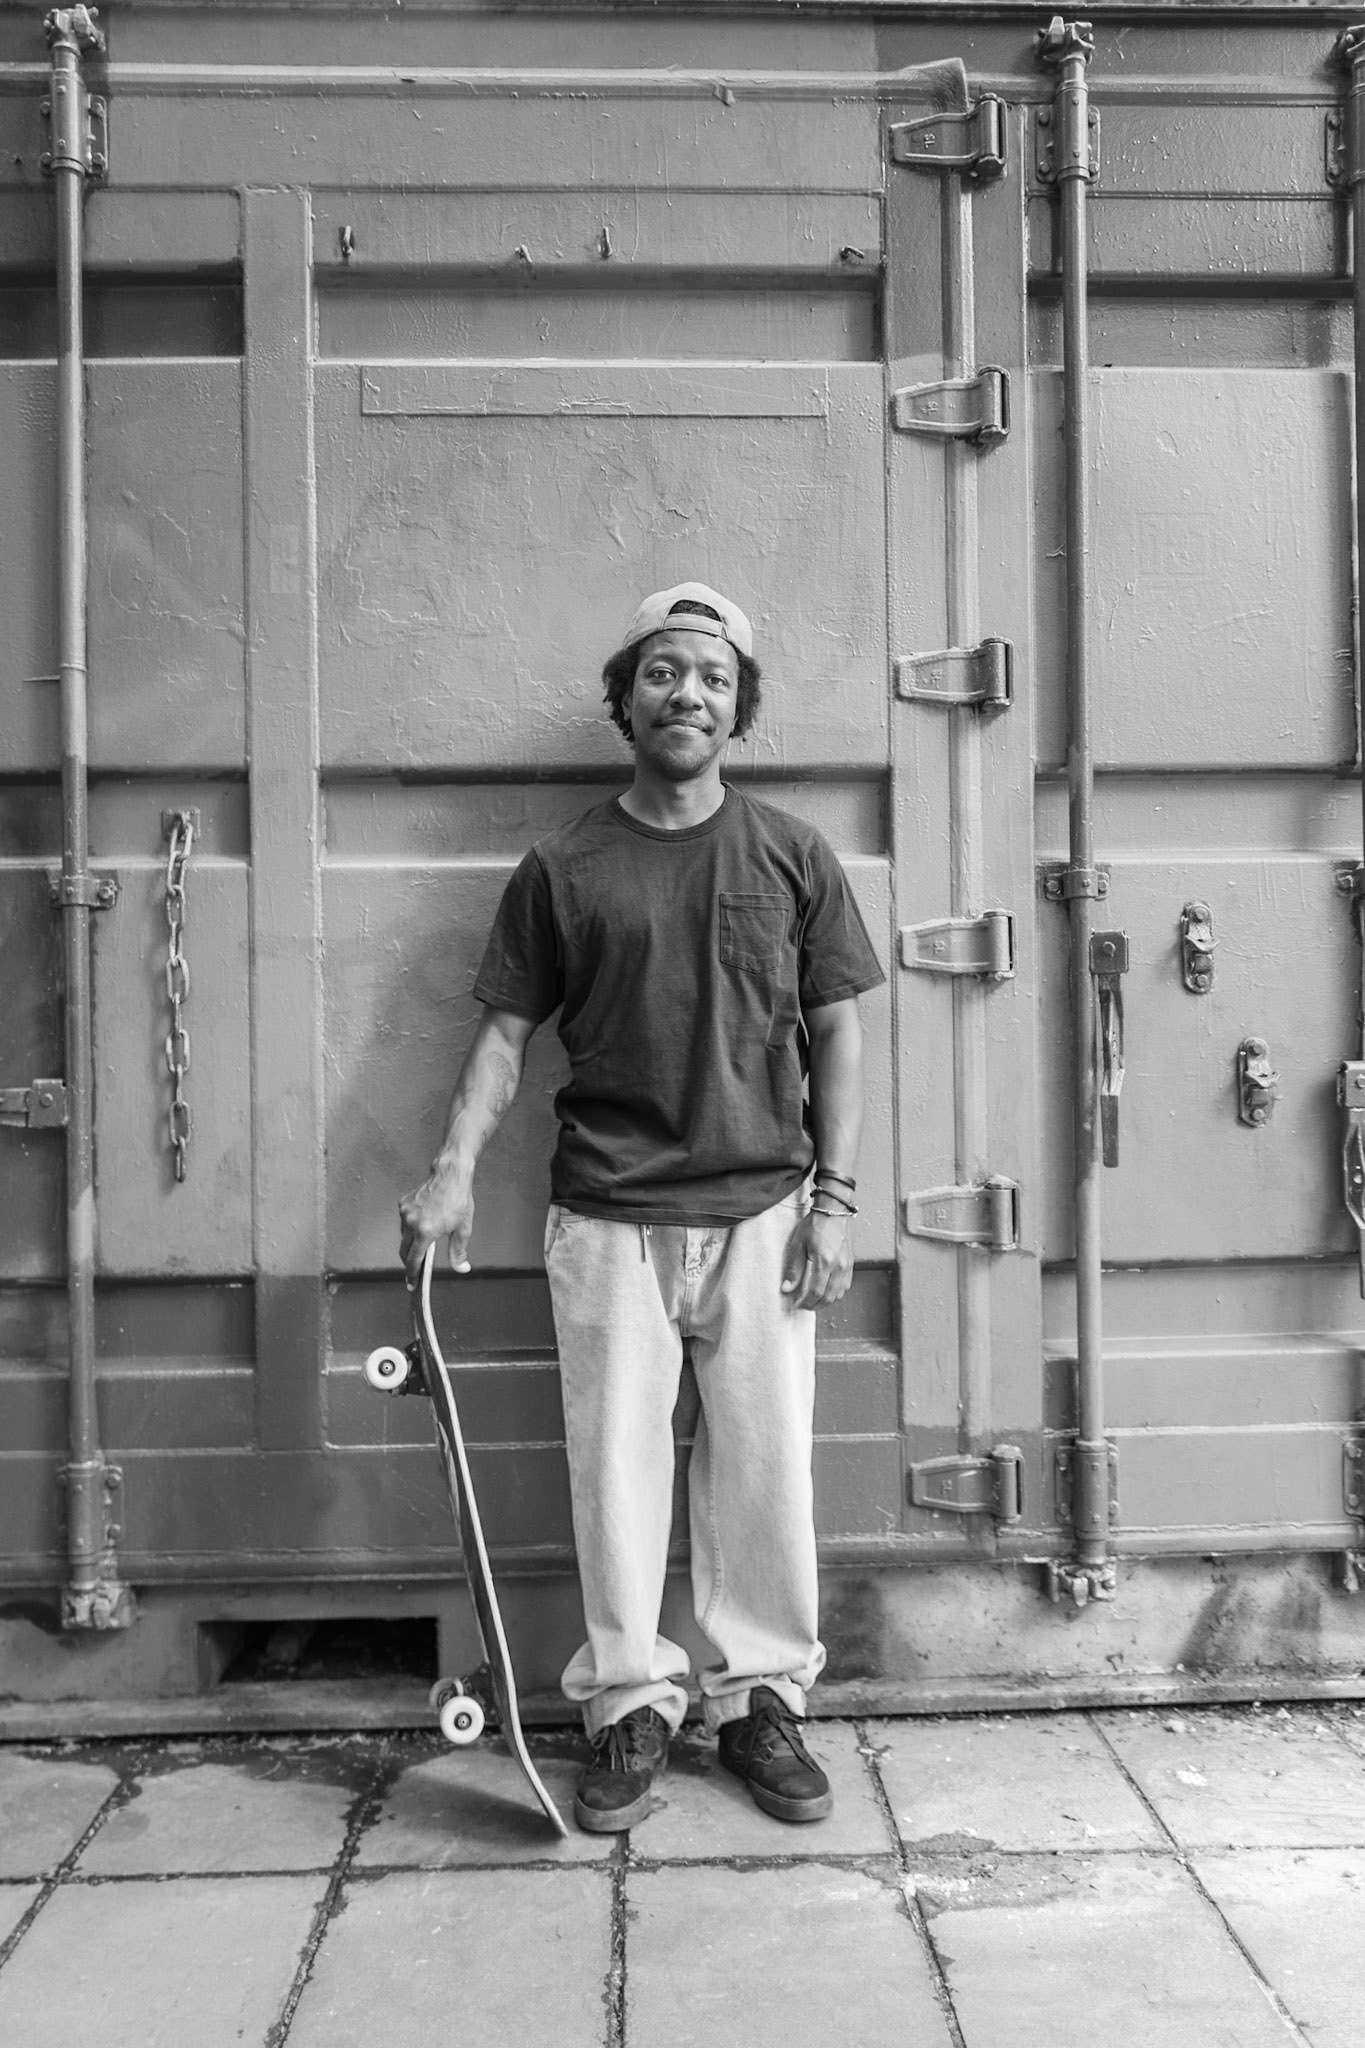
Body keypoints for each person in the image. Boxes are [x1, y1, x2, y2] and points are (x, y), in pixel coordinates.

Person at [399, 582, 885, 1833]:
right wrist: (453, 1165)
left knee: (764, 1469)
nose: (689, 694)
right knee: (614, 1467)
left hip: (766, 1215)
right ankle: (628, 1703)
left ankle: (760, 1698)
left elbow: (838, 1031)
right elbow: (505, 1035)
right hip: (608, 1216)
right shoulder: (563, 865)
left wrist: (836, 1201)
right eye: (664, 672)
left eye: (714, 678)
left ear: (740, 709)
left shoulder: (789, 853)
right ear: (625, 699)